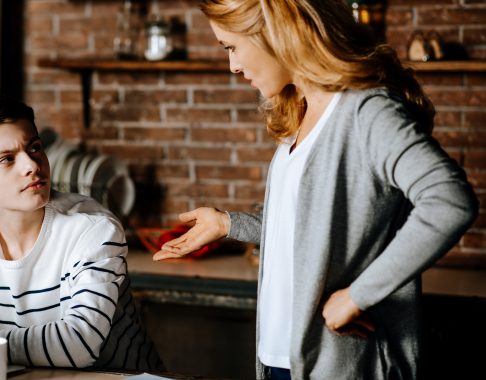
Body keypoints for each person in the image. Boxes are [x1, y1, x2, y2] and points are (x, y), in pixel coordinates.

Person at [153, 1, 478, 379]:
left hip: (340, 365)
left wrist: (358, 297)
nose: (233, 66)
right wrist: (228, 224)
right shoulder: (301, 112)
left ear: (274, 32)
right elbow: (311, 227)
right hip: (279, 359)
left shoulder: (365, 111)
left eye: (231, 47)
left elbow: (449, 202)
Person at [0, 94, 162, 372]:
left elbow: (78, 344)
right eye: (6, 159)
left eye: (35, 148)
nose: (31, 165)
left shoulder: (92, 229)